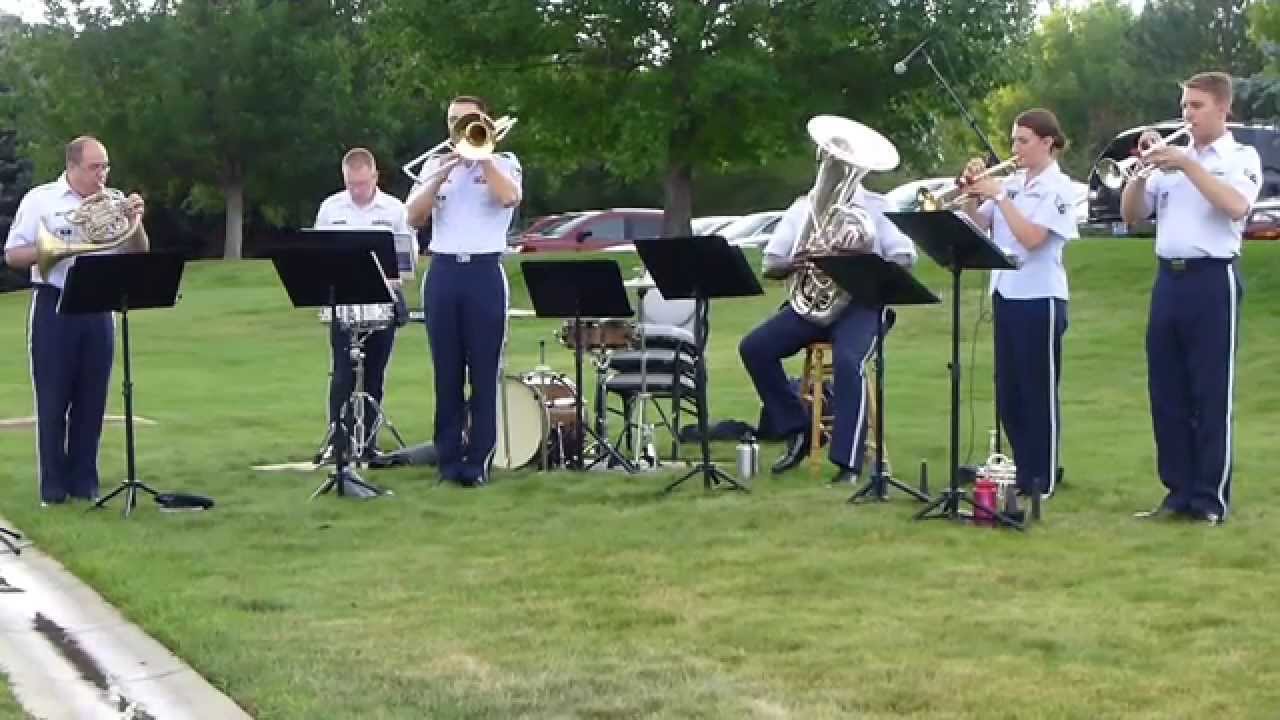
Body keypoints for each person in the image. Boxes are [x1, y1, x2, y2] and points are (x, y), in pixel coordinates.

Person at [1121, 72, 1261, 525]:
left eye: (1196, 106)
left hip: (1211, 279)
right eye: (1184, 106)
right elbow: (1133, 216)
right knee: (1167, 392)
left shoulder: (1241, 157)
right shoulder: (1171, 162)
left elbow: (1236, 207)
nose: (1187, 115)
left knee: (1209, 391)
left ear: (1222, 108)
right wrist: (1139, 172)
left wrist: (1188, 166)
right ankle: (1177, 492)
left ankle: (1209, 499)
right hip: (1168, 280)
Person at [739, 150, 917, 486]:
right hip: (814, 305)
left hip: (862, 305)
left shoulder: (876, 207)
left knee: (849, 361)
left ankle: (848, 462)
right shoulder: (802, 208)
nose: (836, 170)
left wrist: (863, 258)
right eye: (831, 164)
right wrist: (801, 259)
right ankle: (798, 429)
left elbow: (905, 256)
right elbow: (771, 263)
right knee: (754, 348)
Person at [3, 136, 148, 506]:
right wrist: (55, 250)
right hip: (55, 303)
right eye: (95, 167)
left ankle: (86, 485)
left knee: (92, 399)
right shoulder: (41, 199)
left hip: (99, 305)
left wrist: (136, 221)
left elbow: (138, 251)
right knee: (53, 400)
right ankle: (52, 489)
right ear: (72, 167)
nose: (103, 175)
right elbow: (13, 254)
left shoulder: (113, 201)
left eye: (106, 167)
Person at [959, 108, 1078, 500]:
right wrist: (970, 194)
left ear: (1047, 143)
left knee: (1037, 390)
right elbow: (979, 226)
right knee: (1008, 392)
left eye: (1023, 141)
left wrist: (1000, 195)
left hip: (1040, 296)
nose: (1015, 148)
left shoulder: (1059, 188)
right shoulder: (1012, 183)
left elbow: (1031, 238)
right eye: (1013, 140)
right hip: (1006, 293)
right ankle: (1024, 471)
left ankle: (1043, 476)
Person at [405, 95, 521, 487]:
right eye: (453, 120)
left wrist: (483, 155)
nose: (458, 126)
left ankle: (479, 462)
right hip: (443, 271)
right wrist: (441, 172)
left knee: (484, 372)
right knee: (446, 372)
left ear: (485, 120)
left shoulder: (505, 164)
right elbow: (413, 216)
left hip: (485, 272)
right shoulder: (435, 165)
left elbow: (508, 198)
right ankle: (448, 460)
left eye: (467, 119)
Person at [313, 147, 411, 462]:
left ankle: (367, 441)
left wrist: (391, 278)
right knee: (343, 373)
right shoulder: (331, 208)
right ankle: (338, 442)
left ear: (375, 177)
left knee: (374, 374)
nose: (356, 191)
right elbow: (318, 254)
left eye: (362, 184)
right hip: (344, 302)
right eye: (351, 184)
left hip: (381, 301)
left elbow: (407, 260)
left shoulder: (395, 210)